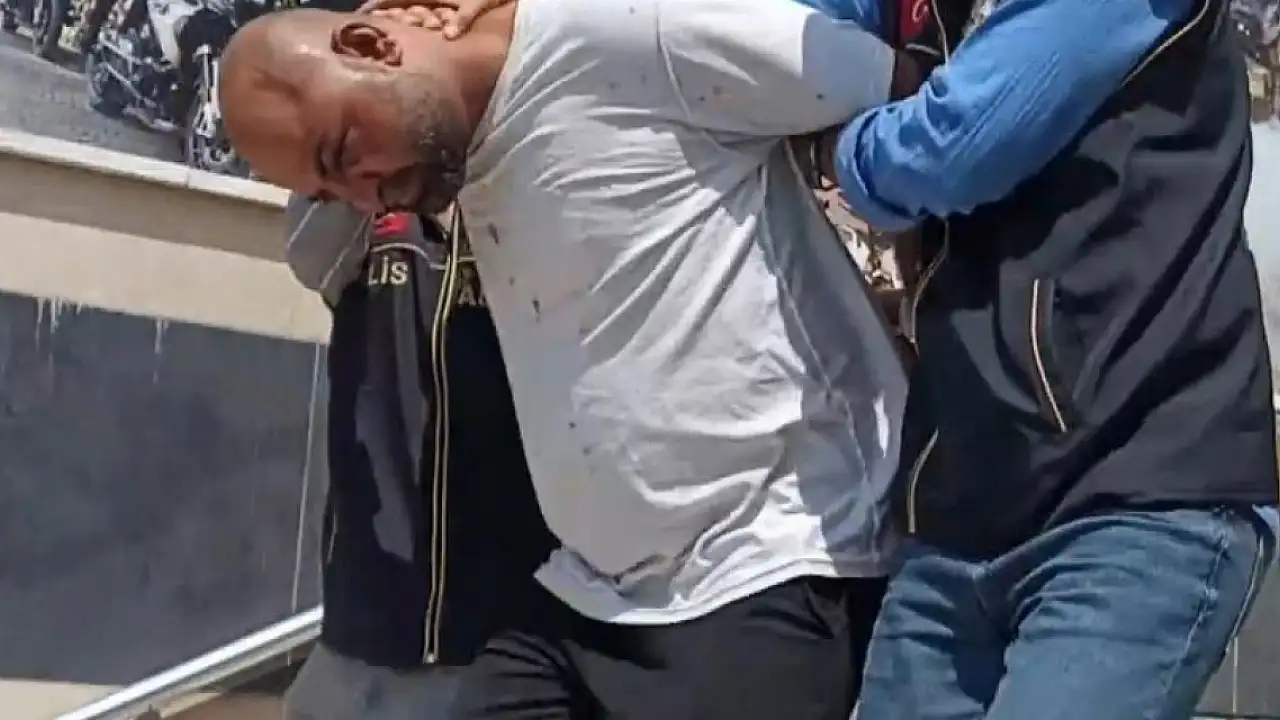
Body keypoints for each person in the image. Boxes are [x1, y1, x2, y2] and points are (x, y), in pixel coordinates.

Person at [218, 1, 920, 717]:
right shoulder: (464, 147)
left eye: (344, 154)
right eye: (331, 192)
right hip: (593, 593)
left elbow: (902, 89)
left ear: (370, 45)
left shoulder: (625, 32)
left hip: (770, 558)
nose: (364, 195)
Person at [803, 0, 1280, 716]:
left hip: (1135, 502)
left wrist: (837, 148)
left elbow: (951, 146)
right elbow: (792, 31)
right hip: (960, 516)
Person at [282, 199, 555, 719]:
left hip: (498, 652)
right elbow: (309, 254)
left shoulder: (531, 203)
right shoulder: (368, 195)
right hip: (356, 642)